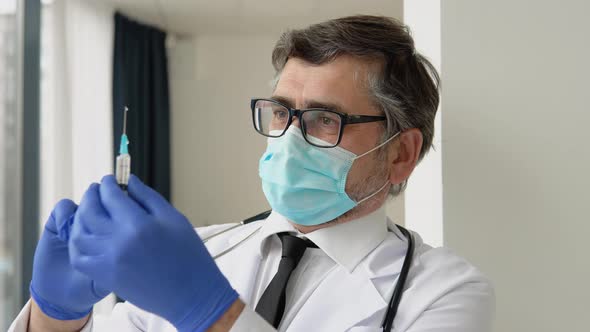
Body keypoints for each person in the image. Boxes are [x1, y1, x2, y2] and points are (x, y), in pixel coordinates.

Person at [9, 15, 494, 332]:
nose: (289, 138)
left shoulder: (442, 293)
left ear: (401, 154)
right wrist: (55, 315)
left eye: (325, 119)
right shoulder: (194, 254)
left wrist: (208, 309)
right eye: (281, 112)